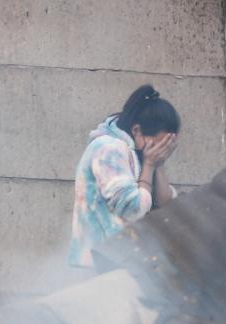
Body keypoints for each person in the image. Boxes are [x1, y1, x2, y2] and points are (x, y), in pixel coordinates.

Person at [69, 84, 180, 268]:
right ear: (136, 130)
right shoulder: (109, 149)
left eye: (166, 147)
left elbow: (166, 207)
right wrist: (149, 164)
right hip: (101, 263)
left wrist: (158, 163)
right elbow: (133, 209)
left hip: (123, 263)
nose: (160, 151)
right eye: (158, 145)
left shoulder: (138, 152)